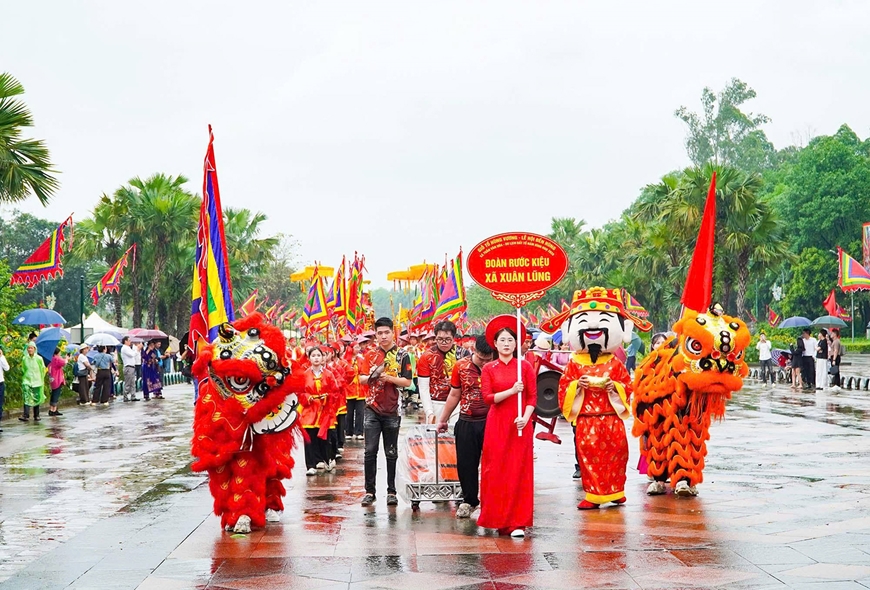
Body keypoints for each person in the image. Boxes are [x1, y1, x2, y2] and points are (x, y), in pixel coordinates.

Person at [478, 316, 537, 537]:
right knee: (495, 470)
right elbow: (488, 398)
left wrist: (526, 418)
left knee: (519, 470)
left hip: (520, 424)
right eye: (502, 340)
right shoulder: (488, 369)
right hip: (498, 424)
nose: (506, 344)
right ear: (495, 343)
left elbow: (532, 398)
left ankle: (518, 522)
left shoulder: (525, 367)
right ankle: (497, 518)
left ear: (516, 344)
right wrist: (512, 391)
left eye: (510, 340)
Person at [436, 335, 494, 519]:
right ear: (474, 350)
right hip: (467, 421)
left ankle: (491, 502)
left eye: (488, 359)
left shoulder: (498, 366)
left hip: (492, 421)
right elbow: (454, 394)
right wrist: (443, 419)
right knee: (466, 464)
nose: (484, 363)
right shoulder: (461, 366)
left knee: (493, 464)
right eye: (481, 359)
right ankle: (469, 501)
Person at [359, 317, 412, 507]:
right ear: (376, 334)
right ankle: (369, 491)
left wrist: (389, 378)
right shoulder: (370, 355)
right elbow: (361, 379)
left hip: (392, 409)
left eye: (386, 332)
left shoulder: (403, 355)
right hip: (371, 408)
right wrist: (373, 375)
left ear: (392, 332)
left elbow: (407, 382)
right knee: (370, 451)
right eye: (379, 333)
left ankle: (391, 491)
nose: (383, 336)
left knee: (391, 452)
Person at [418, 320, 468, 425]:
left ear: (453, 338)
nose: (444, 343)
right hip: (435, 403)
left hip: (458, 403)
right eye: (440, 339)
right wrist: (429, 412)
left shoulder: (464, 355)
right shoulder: (426, 356)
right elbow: (423, 387)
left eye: (447, 339)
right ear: (435, 338)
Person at [300, 346, 340, 475]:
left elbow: (335, 392)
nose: (316, 358)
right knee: (309, 438)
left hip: (324, 410)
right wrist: (308, 397)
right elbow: (300, 392)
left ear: (323, 358)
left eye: (318, 355)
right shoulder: (304, 375)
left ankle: (325, 459)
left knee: (324, 438)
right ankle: (310, 465)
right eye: (313, 356)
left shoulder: (329, 374)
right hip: (309, 411)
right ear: (309, 358)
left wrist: (327, 397)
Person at [20, 342, 47, 421]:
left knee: (36, 398)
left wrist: (41, 378)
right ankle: (26, 415)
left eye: (31, 348)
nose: (30, 350)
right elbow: (23, 369)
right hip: (27, 380)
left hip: (37, 381)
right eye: (28, 348)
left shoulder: (39, 358)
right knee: (26, 397)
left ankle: (36, 415)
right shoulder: (24, 358)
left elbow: (43, 369)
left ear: (34, 349)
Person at [48, 347, 68, 416]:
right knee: (56, 394)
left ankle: (53, 409)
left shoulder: (51, 359)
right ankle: (53, 410)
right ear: (57, 352)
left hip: (52, 378)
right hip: (57, 379)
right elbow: (64, 363)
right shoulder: (56, 358)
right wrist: (67, 358)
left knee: (53, 393)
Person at [120, 336, 140, 402]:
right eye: (129, 340)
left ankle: (133, 396)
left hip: (132, 367)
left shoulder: (128, 348)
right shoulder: (124, 348)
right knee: (128, 383)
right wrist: (137, 350)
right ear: (125, 341)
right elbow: (132, 354)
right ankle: (125, 396)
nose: (130, 342)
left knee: (132, 383)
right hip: (128, 367)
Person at [0, 346, 8, 432]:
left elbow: (7, 368)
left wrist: (2, 357)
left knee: (0, 405)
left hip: (0, 383)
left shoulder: (1, 358)